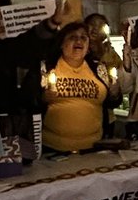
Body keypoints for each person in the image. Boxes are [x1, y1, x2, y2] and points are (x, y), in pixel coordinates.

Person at [41, 22, 122, 153]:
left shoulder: (98, 69)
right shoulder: (47, 67)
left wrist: (115, 93)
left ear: (88, 46)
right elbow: (28, 100)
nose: (79, 41)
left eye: (84, 38)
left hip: (92, 148)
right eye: (73, 37)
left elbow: (112, 103)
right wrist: (43, 97)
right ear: (62, 43)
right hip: (53, 149)